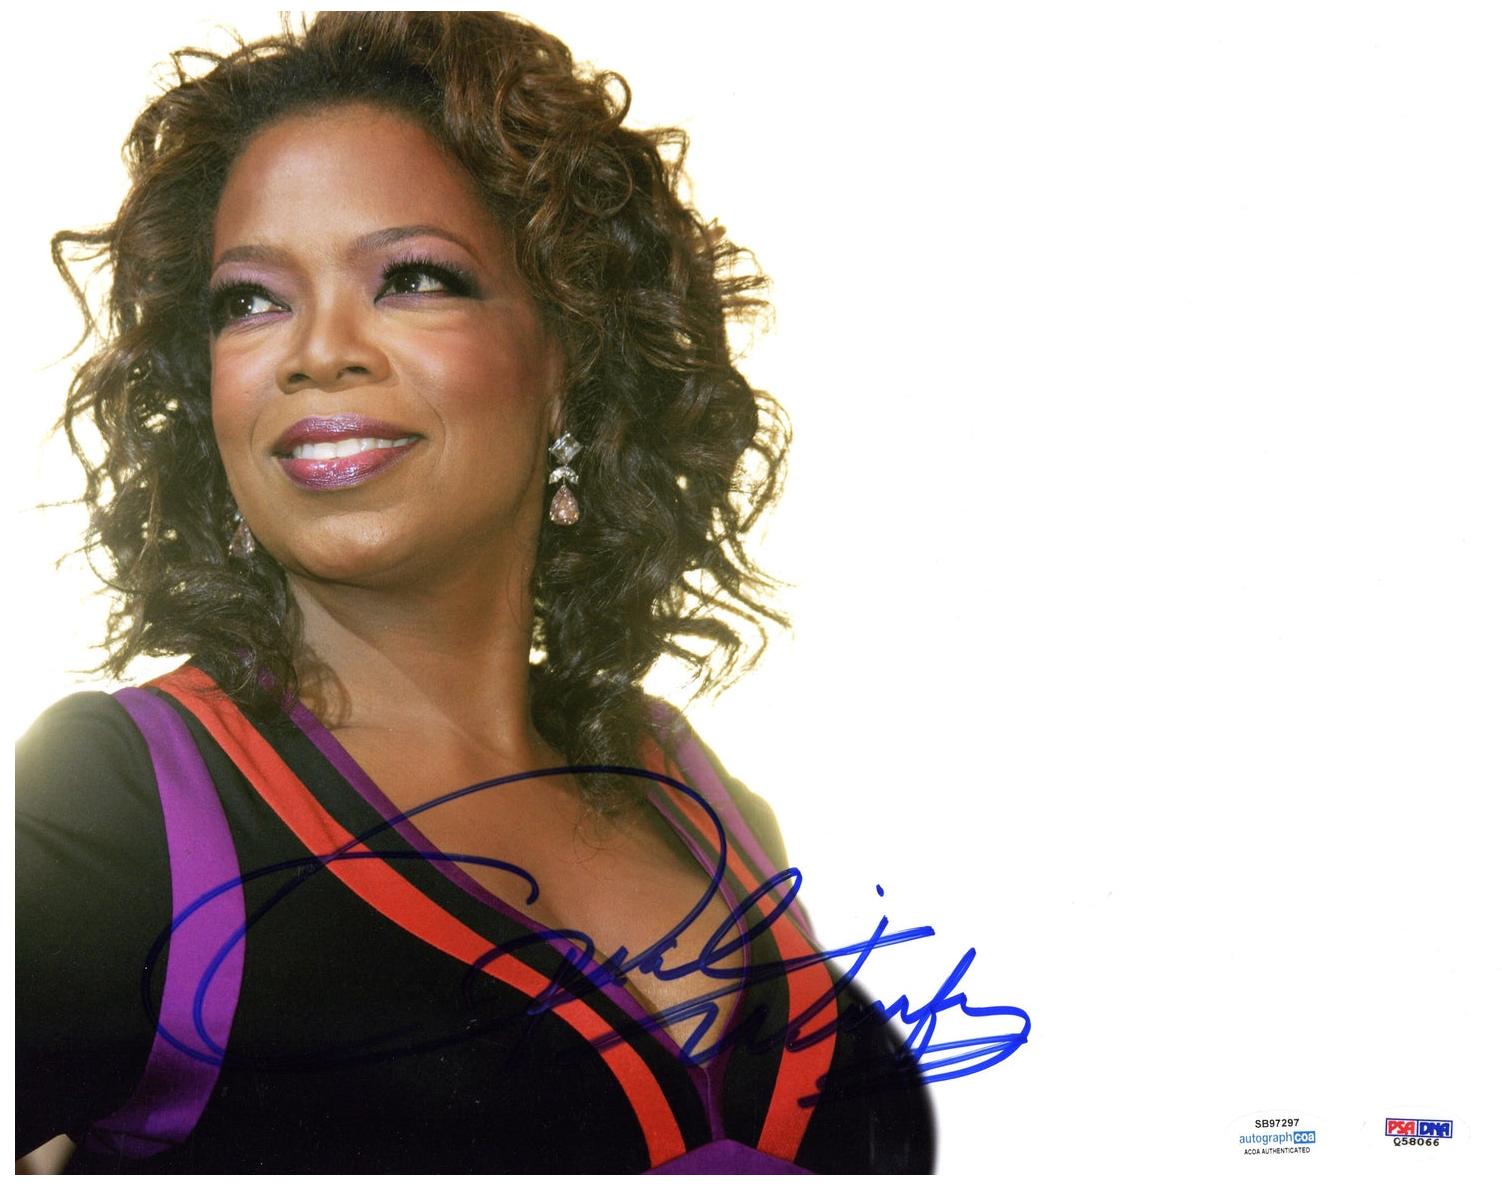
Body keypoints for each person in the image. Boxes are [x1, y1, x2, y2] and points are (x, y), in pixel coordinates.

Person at [15, 11, 935, 1174]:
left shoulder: (694, 793)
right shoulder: (123, 809)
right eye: (249, 300)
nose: (317, 350)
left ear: (568, 355)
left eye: (412, 278)